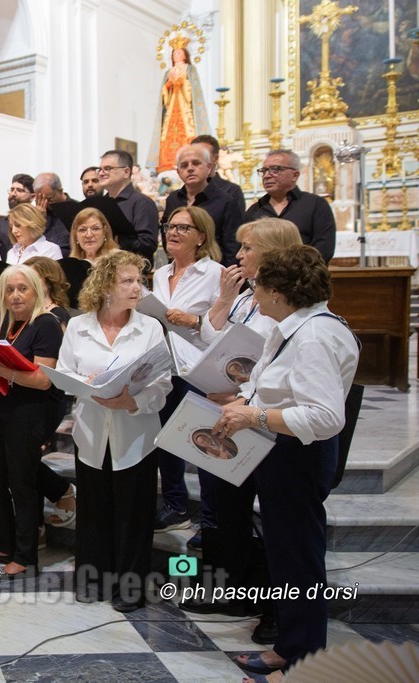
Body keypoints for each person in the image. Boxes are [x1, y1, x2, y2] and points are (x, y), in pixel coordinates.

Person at [216, 245, 359, 683]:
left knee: (300, 559)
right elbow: (275, 385)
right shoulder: (292, 327)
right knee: (286, 555)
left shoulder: (315, 336)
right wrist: (245, 401)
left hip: (300, 454)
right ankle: (291, 646)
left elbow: (325, 417)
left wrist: (253, 416)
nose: (253, 291)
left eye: (257, 284)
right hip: (281, 451)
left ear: (278, 291)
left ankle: (303, 662)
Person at [180, 218, 303, 638]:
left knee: (273, 519)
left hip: (265, 419)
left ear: (272, 252)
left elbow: (275, 368)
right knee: (224, 506)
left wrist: (240, 395)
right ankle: (229, 587)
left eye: (248, 247)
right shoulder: (247, 294)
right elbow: (212, 340)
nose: (239, 255)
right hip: (230, 411)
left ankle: (276, 608)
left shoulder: (288, 304)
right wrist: (223, 299)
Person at [56, 250, 170, 611]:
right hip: (91, 431)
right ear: (105, 285)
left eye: (140, 281)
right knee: (94, 510)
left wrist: (132, 401)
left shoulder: (150, 328)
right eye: (128, 281)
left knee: (134, 514)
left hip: (136, 432)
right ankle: (93, 580)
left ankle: (130, 587)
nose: (138, 288)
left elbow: (163, 382)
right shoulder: (79, 326)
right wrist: (87, 384)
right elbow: (64, 373)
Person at [0, 265, 66, 579]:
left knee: (22, 483)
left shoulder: (46, 324)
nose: (15, 296)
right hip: (6, 407)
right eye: (9, 290)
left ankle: (25, 557)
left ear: (36, 290)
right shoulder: (10, 324)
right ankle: (7, 543)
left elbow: (42, 379)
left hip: (30, 412)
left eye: (22, 289)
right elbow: (4, 370)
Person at [152, 206, 223, 533]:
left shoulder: (215, 273)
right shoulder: (160, 274)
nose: (173, 232)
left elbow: (227, 326)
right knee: (167, 439)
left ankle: (211, 521)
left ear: (201, 237)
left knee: (203, 445)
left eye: (183, 228)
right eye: (170, 226)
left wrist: (194, 320)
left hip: (198, 368)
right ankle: (176, 506)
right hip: (164, 367)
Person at [245, 149, 336, 262]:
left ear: (295, 175)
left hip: (304, 272)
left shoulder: (315, 205)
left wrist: (292, 269)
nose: (266, 176)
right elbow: (245, 248)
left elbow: (324, 248)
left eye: (275, 169)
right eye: (264, 171)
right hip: (262, 272)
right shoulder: (254, 210)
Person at [162, 145, 243, 266]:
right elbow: (166, 236)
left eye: (196, 163)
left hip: (213, 270)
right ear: (178, 172)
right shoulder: (173, 199)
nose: (190, 169)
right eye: (184, 165)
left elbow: (232, 247)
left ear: (209, 168)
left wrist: (223, 274)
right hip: (179, 268)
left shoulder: (225, 201)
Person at [147, 39, 210, 173]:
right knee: (167, 133)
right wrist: (169, 85)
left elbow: (193, 90)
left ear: (185, 55)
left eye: (179, 53)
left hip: (185, 105)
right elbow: (164, 94)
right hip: (171, 104)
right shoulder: (168, 72)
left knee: (187, 131)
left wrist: (182, 83)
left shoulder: (190, 69)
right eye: (174, 54)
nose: (177, 55)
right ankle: (167, 163)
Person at [98, 149, 160, 260]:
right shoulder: (101, 203)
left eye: (107, 168)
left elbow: (148, 244)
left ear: (126, 172)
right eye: (100, 169)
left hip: (131, 266)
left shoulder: (142, 203)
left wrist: (116, 241)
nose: (101, 173)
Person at [31, 172, 77, 256]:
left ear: (60, 191)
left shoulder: (76, 209)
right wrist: (39, 220)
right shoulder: (37, 211)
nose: (44, 203)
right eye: (40, 199)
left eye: (49, 199)